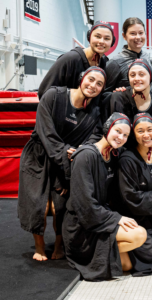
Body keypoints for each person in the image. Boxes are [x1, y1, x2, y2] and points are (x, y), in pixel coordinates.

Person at [18, 67, 106, 262]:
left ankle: (59, 245)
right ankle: (39, 247)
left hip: (67, 160)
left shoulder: (94, 112)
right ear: (81, 79)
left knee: (61, 205)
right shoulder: (53, 96)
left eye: (99, 84)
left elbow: (96, 136)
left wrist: (80, 150)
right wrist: (64, 151)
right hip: (40, 155)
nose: (93, 86)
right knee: (36, 203)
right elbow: (45, 131)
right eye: (90, 80)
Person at [63, 113, 149, 281]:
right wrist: (116, 218)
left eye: (125, 135)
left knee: (126, 266)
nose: (121, 137)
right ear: (107, 128)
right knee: (139, 235)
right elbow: (84, 205)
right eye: (117, 131)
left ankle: (101, 253)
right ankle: (89, 255)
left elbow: (139, 146)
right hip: (81, 226)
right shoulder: (86, 156)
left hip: (99, 216)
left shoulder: (113, 155)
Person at [116, 113, 152, 273]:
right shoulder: (127, 160)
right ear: (133, 134)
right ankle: (113, 253)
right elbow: (131, 199)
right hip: (135, 218)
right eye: (140, 131)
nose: (146, 134)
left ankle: (133, 254)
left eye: (150, 129)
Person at [105, 59, 152, 153]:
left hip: (150, 150)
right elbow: (120, 133)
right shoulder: (119, 97)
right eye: (132, 75)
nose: (137, 78)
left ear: (150, 77)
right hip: (125, 151)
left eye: (141, 74)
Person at [38, 21, 114, 98]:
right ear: (89, 37)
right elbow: (44, 92)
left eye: (107, 38)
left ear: (112, 42)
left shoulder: (103, 62)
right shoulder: (70, 59)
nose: (101, 41)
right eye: (97, 36)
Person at [105, 17, 152, 93]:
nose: (138, 37)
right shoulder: (115, 63)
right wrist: (117, 95)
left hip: (151, 104)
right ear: (124, 36)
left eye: (141, 33)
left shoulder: (147, 58)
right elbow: (104, 94)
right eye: (133, 33)